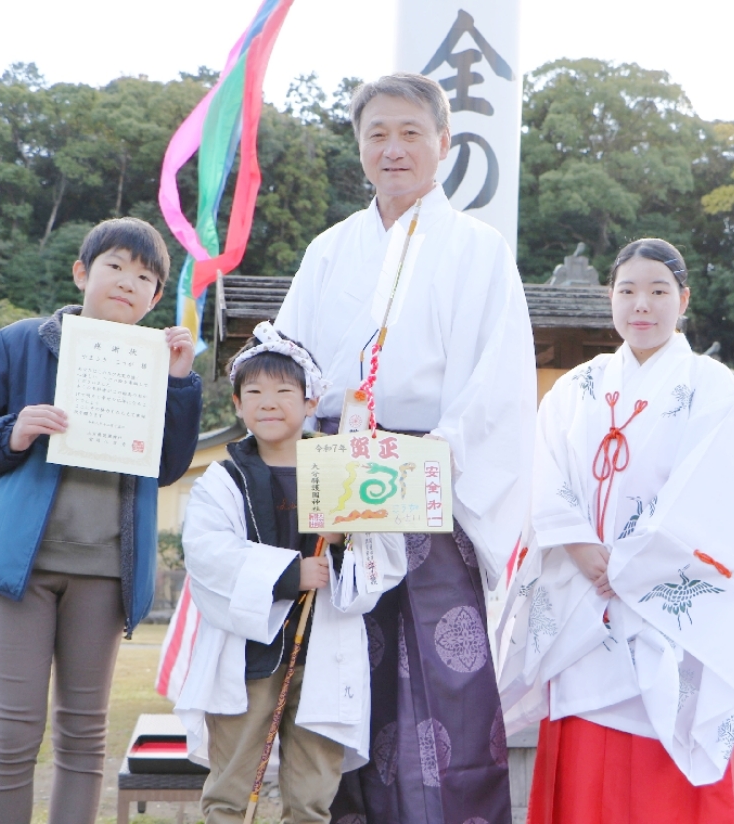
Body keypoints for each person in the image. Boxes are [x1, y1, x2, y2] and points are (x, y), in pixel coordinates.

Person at [276, 72, 536, 824]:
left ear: (444, 144)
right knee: (344, 668)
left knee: (438, 676)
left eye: (410, 132)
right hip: (337, 478)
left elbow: (498, 384)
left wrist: (425, 461)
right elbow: (287, 363)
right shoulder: (330, 250)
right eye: (377, 133)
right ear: (359, 146)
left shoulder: (479, 249)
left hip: (432, 482)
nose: (393, 148)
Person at [497, 238, 734, 824]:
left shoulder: (708, 384)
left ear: (682, 300)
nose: (642, 304)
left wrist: (630, 564)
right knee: (589, 754)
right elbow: (545, 471)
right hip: (584, 596)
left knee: (665, 754)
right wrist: (580, 545)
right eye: (628, 290)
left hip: (668, 605)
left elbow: (709, 490)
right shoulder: (575, 388)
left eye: (658, 291)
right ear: (610, 298)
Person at [0, 216, 202, 824]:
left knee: (85, 736)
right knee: (13, 729)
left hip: (105, 571)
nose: (128, 282)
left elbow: (167, 466)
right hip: (19, 569)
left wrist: (181, 383)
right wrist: (13, 430)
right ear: (82, 272)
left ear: (156, 298)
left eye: (145, 277)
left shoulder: (155, 362)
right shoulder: (21, 342)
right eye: (114, 266)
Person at [172, 322, 406, 824]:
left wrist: (345, 545)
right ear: (236, 404)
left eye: (283, 390)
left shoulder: (346, 472)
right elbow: (208, 553)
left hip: (324, 651)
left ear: (309, 401)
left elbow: (385, 551)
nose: (268, 402)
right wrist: (288, 573)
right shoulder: (223, 479)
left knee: (312, 795)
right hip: (248, 654)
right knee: (231, 790)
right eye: (253, 392)